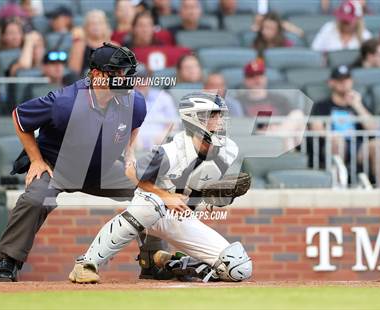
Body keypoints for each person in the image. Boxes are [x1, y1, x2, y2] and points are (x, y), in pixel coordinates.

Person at [0, 43, 166, 281]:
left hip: (102, 169)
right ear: (96, 74)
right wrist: (35, 160)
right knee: (34, 199)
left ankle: (153, 259)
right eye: (116, 72)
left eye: (126, 72)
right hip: (56, 167)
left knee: (151, 193)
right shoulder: (64, 102)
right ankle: (7, 263)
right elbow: (20, 117)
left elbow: (134, 126)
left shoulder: (134, 101)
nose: (123, 78)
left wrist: (130, 155)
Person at [68, 91, 253, 284]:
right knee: (153, 205)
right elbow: (133, 174)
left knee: (238, 267)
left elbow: (191, 205)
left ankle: (171, 263)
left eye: (220, 115)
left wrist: (214, 200)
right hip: (148, 208)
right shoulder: (171, 151)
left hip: (179, 216)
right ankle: (87, 264)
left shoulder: (228, 151)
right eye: (212, 115)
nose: (219, 121)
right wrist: (165, 196)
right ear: (194, 119)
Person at [311, 65, 380, 185]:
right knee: (338, 141)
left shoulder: (359, 103)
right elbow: (316, 128)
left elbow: (374, 129)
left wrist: (357, 105)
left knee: (377, 144)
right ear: (331, 83)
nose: (344, 83)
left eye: (347, 79)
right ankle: (338, 185)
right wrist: (331, 135)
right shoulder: (322, 105)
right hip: (334, 145)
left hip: (358, 147)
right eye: (339, 80)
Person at [134, 67, 179, 150]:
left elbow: (174, 123)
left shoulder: (163, 97)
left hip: (161, 145)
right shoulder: (123, 99)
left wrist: (164, 136)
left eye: (143, 79)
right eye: (136, 79)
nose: (139, 82)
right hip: (132, 146)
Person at [68, 10, 113, 75]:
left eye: (99, 23)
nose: (96, 27)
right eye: (92, 24)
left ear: (105, 26)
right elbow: (74, 73)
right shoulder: (79, 45)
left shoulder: (114, 46)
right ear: (86, 27)